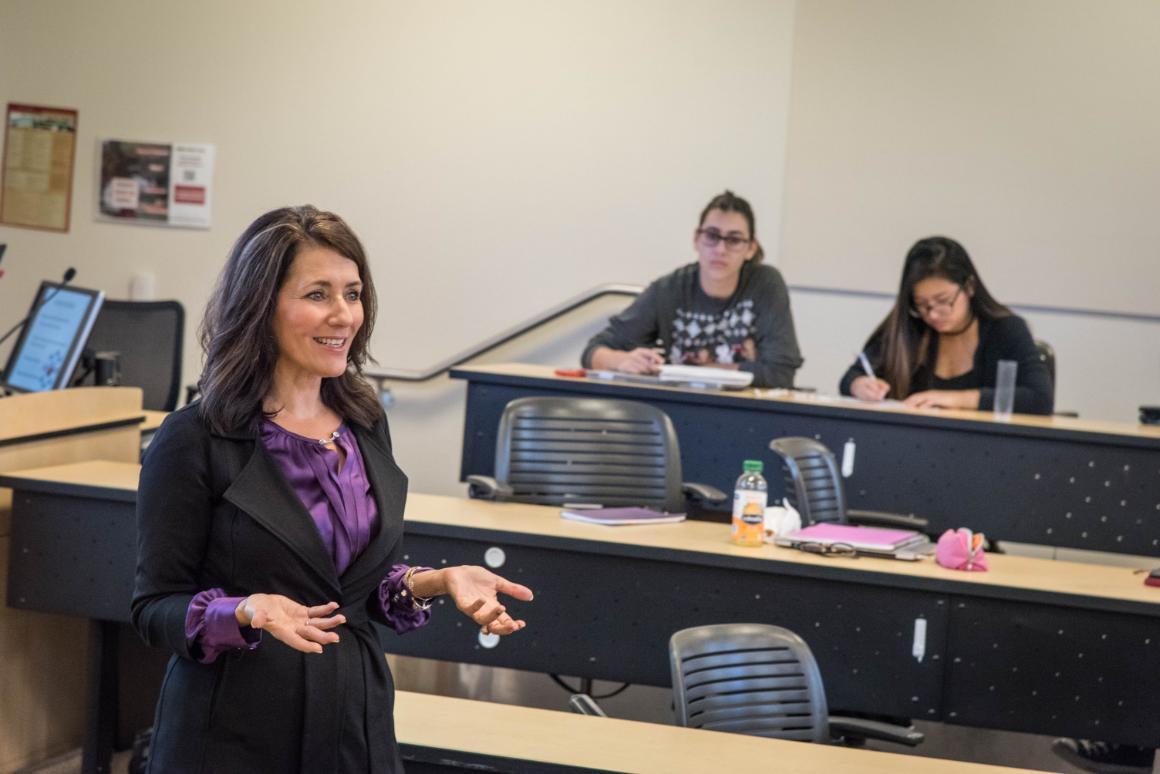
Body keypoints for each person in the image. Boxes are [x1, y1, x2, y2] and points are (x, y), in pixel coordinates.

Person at [130, 205, 534, 773]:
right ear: (260, 306)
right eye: (318, 294)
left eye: (353, 293)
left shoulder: (364, 422)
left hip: (354, 722)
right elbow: (154, 609)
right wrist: (246, 609)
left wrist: (436, 581)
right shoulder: (195, 438)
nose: (344, 315)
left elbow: (361, 588)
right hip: (233, 733)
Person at [581, 190, 803, 388]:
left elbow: (781, 373)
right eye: (712, 236)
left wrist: (688, 373)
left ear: (750, 248)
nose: (720, 249)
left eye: (734, 240)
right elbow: (593, 352)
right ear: (696, 239)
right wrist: (620, 360)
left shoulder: (765, 284)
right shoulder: (669, 289)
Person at [839, 236, 1053, 415]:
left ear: (968, 287)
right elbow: (850, 377)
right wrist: (858, 385)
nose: (932, 314)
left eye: (943, 301)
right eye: (922, 305)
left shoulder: (1005, 330)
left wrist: (954, 399)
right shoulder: (909, 327)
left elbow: (1039, 398)